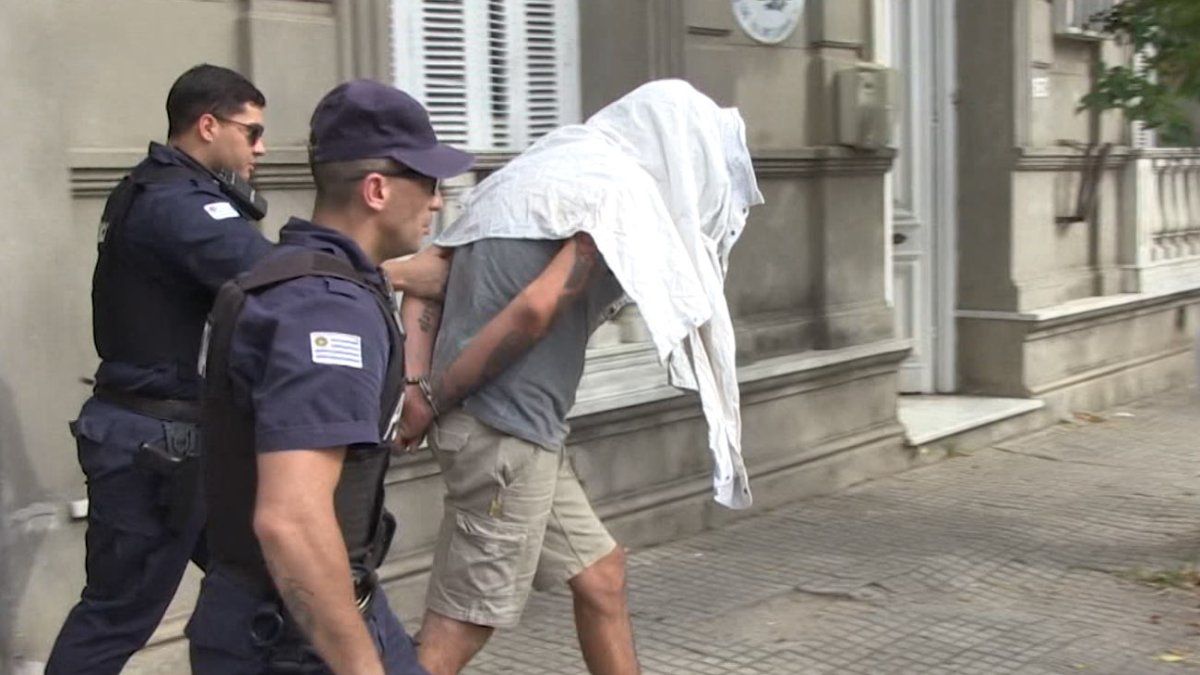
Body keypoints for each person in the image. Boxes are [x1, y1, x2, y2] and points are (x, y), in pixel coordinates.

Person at [398, 79, 762, 675]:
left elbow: (424, 276)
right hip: (505, 441)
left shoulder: (537, 170)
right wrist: (428, 397)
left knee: (601, 577)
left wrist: (417, 387)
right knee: (456, 631)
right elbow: (535, 310)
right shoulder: (614, 192)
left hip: (510, 435)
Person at [185, 78, 473, 674]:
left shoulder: (299, 279)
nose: (437, 202)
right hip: (291, 636)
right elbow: (290, 520)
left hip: (308, 612)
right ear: (377, 189)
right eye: (428, 182)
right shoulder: (326, 311)